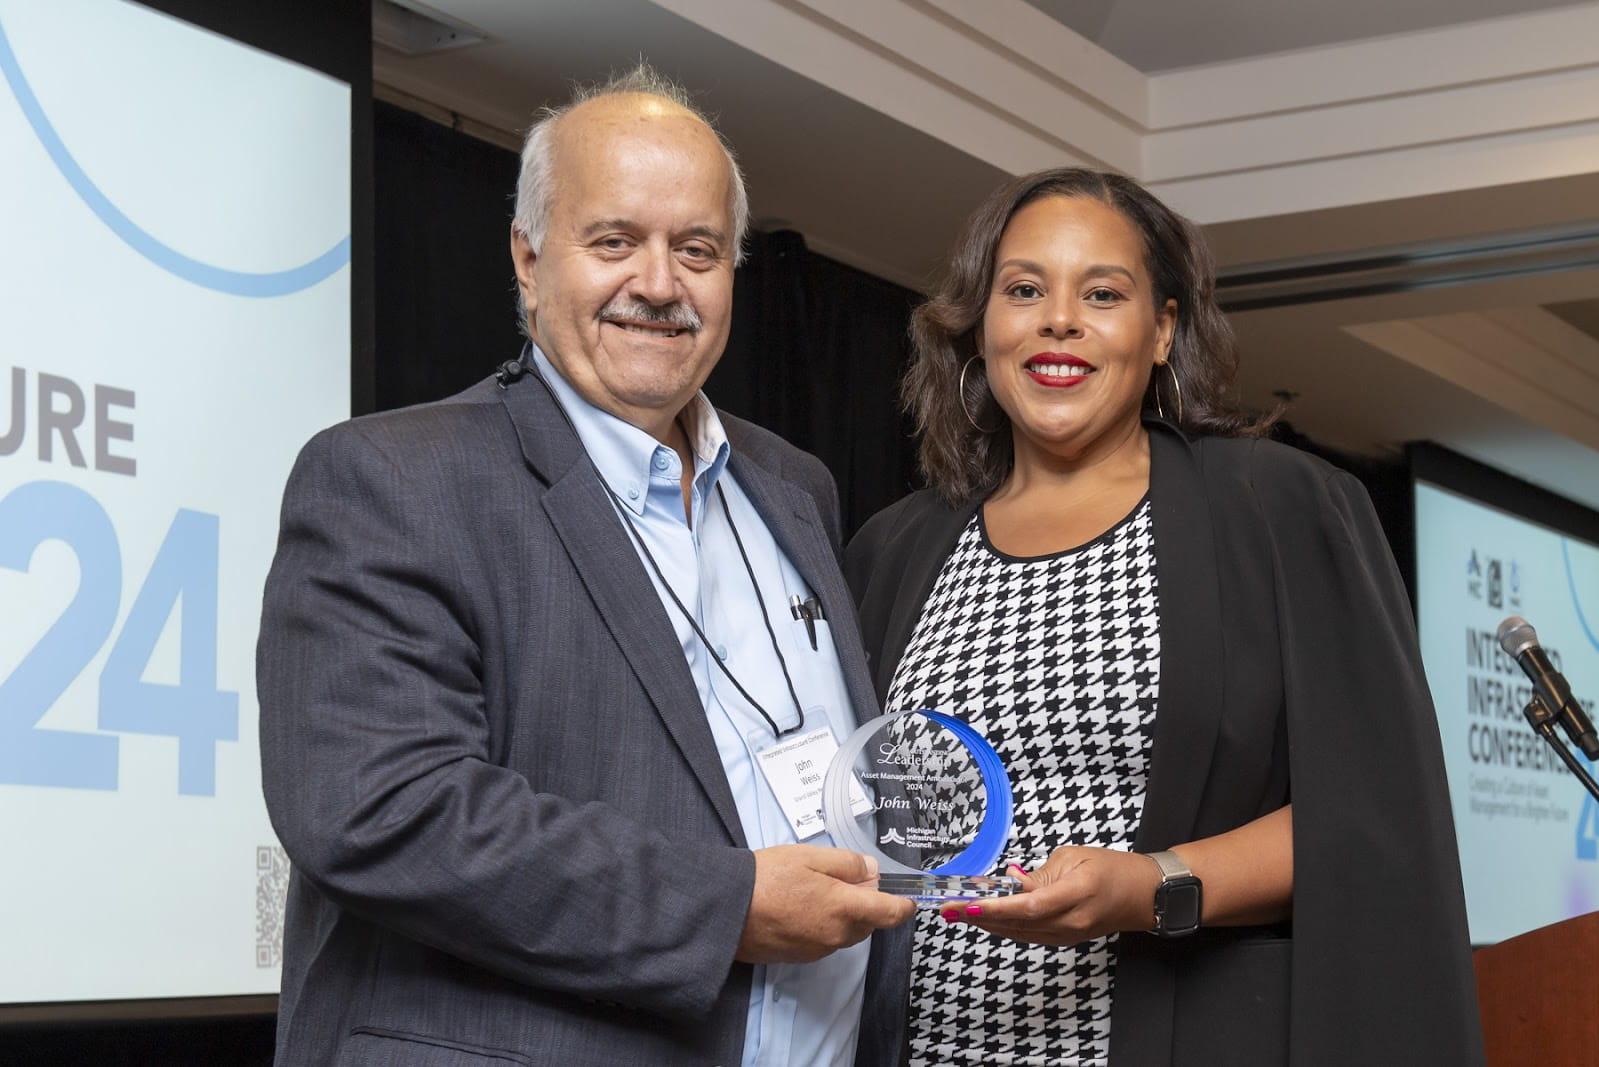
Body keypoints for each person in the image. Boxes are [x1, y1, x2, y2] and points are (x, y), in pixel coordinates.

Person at [257, 66, 914, 1067]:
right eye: (614, 241)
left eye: (696, 249)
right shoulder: (392, 476)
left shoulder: (795, 488)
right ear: (527, 260)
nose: (658, 283)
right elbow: (378, 808)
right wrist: (727, 905)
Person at [843, 167, 1485, 1065]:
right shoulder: (894, 550)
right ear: (981, 327)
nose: (1058, 319)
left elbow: (1375, 813)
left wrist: (1151, 885)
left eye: (1102, 293)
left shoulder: (1278, 510)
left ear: (1162, 330)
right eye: (1023, 289)